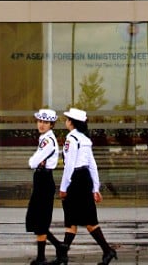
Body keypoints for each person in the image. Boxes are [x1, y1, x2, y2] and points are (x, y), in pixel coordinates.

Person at [54, 107, 117, 265]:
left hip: (75, 181)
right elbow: (92, 165)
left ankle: (107, 250)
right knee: (73, 220)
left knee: (85, 221)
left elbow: (69, 166)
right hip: (85, 179)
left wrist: (63, 186)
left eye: (68, 120)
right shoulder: (85, 140)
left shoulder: (72, 139)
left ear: (72, 123)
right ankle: (63, 255)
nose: (66, 122)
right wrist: (95, 187)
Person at [27, 108, 65, 265]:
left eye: (45, 122)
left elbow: (32, 162)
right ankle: (57, 247)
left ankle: (44, 256)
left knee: (40, 220)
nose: (41, 125)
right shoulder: (44, 139)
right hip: (41, 178)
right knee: (36, 219)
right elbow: (35, 161)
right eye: (40, 121)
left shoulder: (48, 141)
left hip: (44, 179)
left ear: (51, 124)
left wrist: (36, 161)